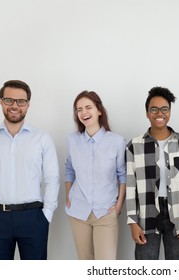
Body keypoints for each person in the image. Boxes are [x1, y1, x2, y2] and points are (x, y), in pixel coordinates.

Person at [0, 80, 60, 260]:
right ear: (1, 101)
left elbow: (52, 179)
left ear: (28, 104)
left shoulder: (42, 139)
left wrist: (46, 216)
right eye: (9, 100)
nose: (14, 106)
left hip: (34, 218)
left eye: (21, 101)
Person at [126, 86, 179, 260]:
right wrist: (132, 222)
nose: (160, 113)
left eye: (164, 109)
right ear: (147, 113)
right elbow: (130, 186)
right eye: (154, 109)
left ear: (170, 112)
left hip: (178, 215)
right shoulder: (135, 145)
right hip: (146, 215)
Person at [65, 91, 126, 260]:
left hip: (105, 212)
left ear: (99, 110)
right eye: (79, 109)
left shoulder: (116, 141)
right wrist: (68, 195)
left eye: (88, 107)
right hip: (78, 211)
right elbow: (69, 169)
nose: (84, 112)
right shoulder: (72, 140)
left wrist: (118, 206)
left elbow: (123, 175)